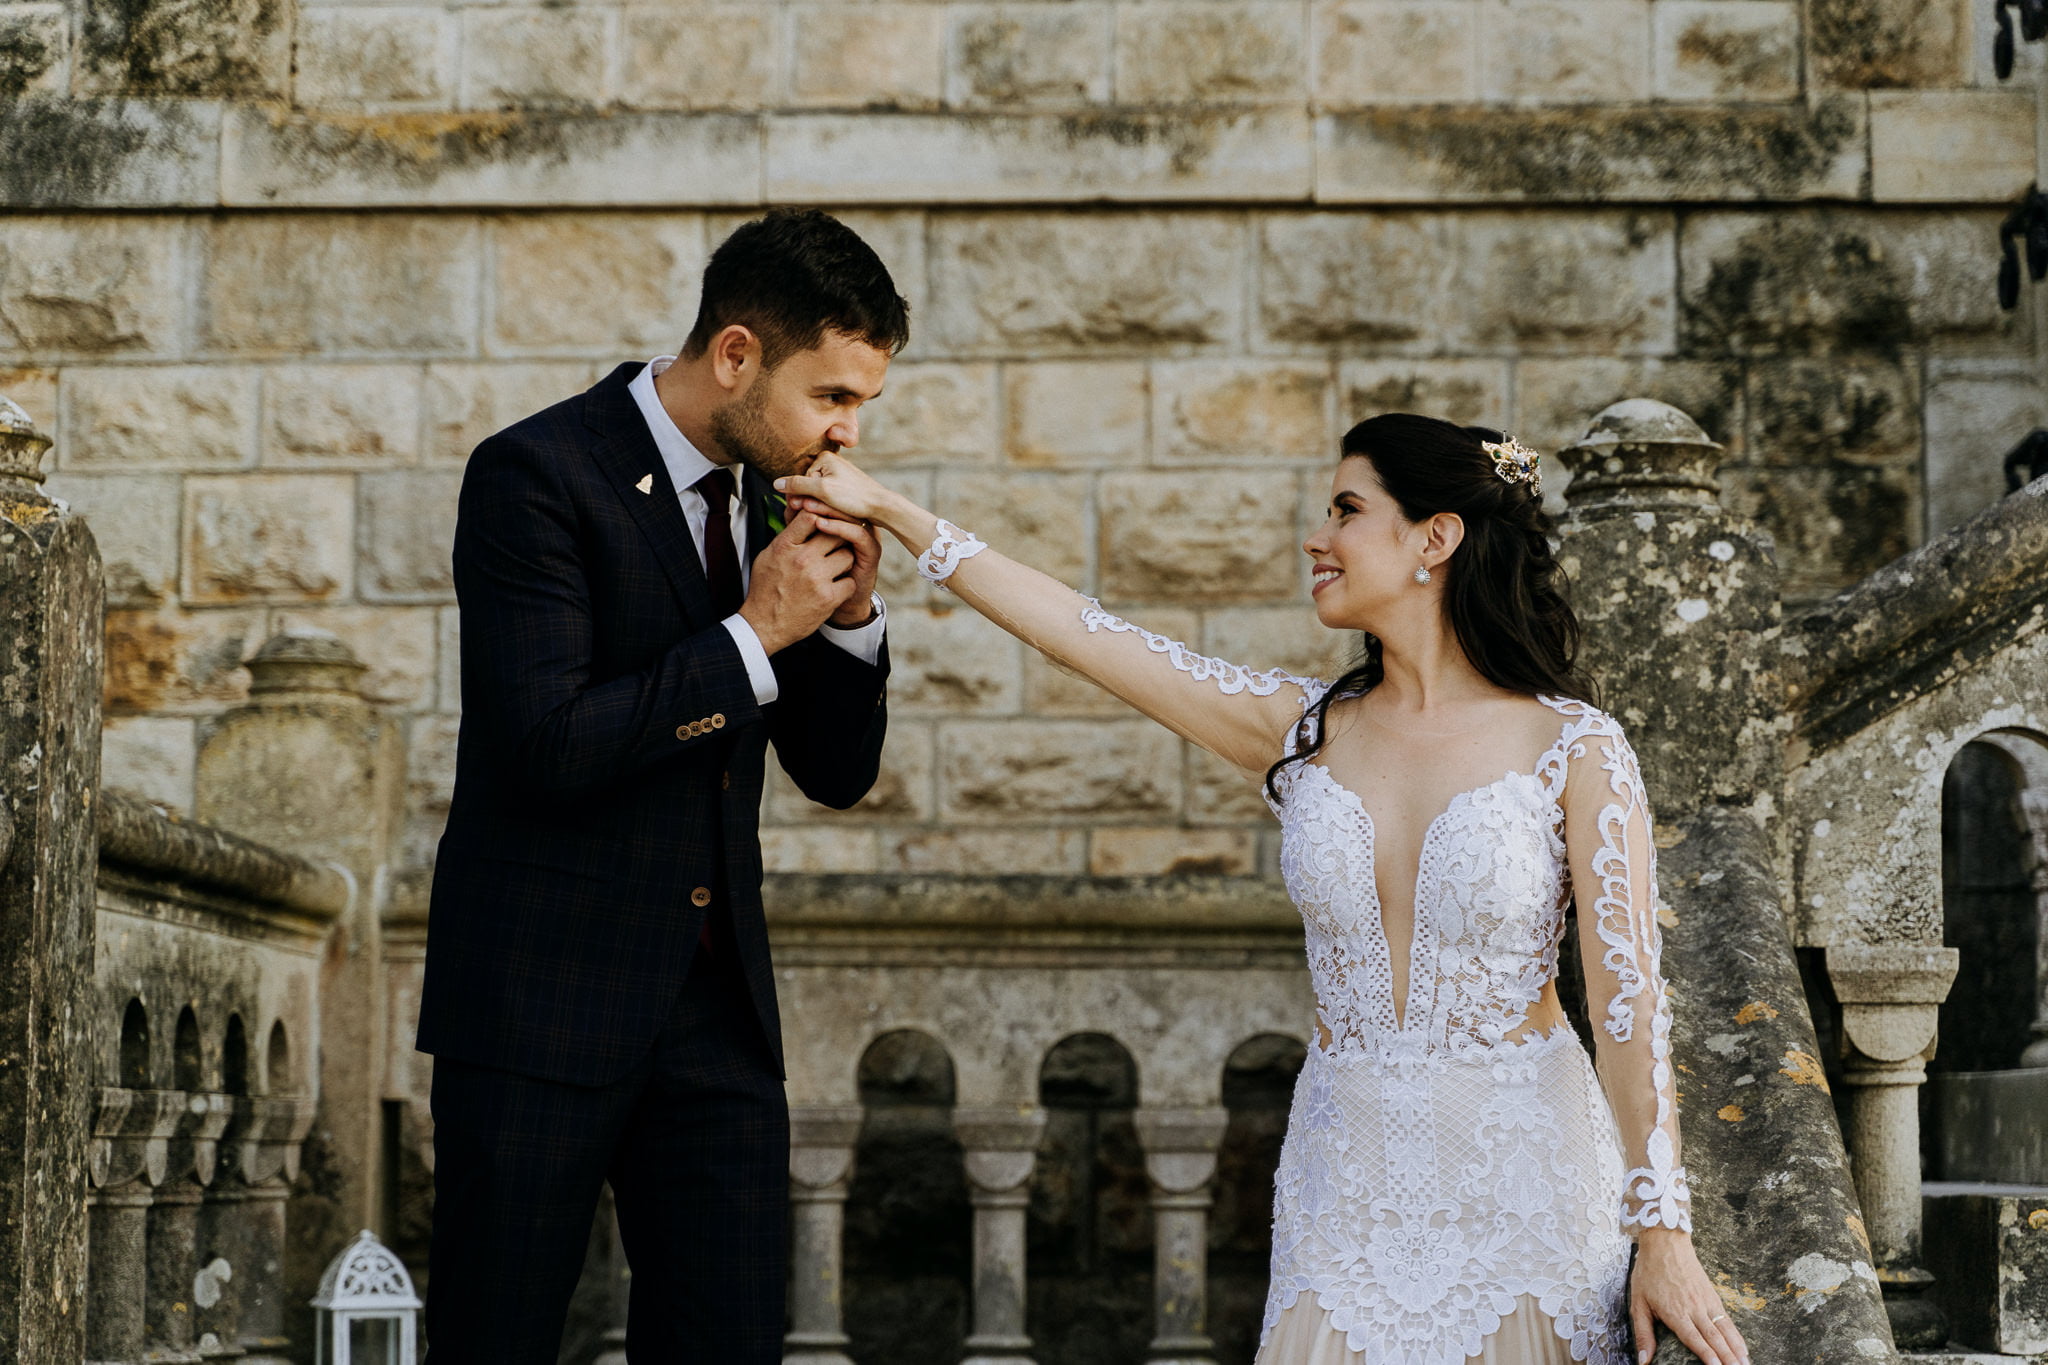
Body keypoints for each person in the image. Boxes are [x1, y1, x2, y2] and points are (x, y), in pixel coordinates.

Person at [777, 414, 1751, 1365]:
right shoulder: (1302, 729)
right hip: (1343, 1179)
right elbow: (1082, 631)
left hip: (1527, 1179)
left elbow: (1626, 1002)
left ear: (1434, 538)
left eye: (1343, 509)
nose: (1313, 537)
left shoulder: (1574, 747)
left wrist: (1660, 1231)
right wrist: (896, 515)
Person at [416, 208, 903, 1364]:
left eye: (861, 409)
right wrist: (753, 632)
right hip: (537, 1005)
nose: (843, 437)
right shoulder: (533, 475)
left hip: (715, 1020)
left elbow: (834, 775)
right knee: (498, 1341)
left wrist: (847, 624)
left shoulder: (783, 496)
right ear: (735, 355)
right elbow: (545, 743)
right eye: (829, 398)